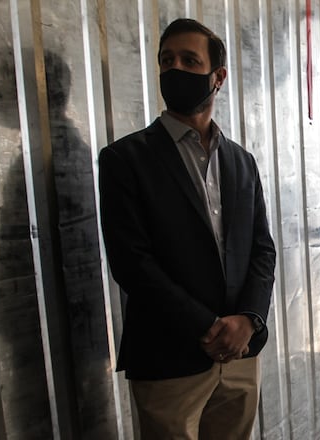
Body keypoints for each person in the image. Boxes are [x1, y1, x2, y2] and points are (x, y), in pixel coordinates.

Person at [98, 18, 276, 439]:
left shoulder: (241, 161)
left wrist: (248, 321)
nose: (175, 68)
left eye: (189, 60)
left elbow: (262, 249)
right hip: (168, 359)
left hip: (239, 358)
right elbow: (131, 263)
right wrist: (207, 327)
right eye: (167, 60)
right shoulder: (125, 160)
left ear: (218, 77)